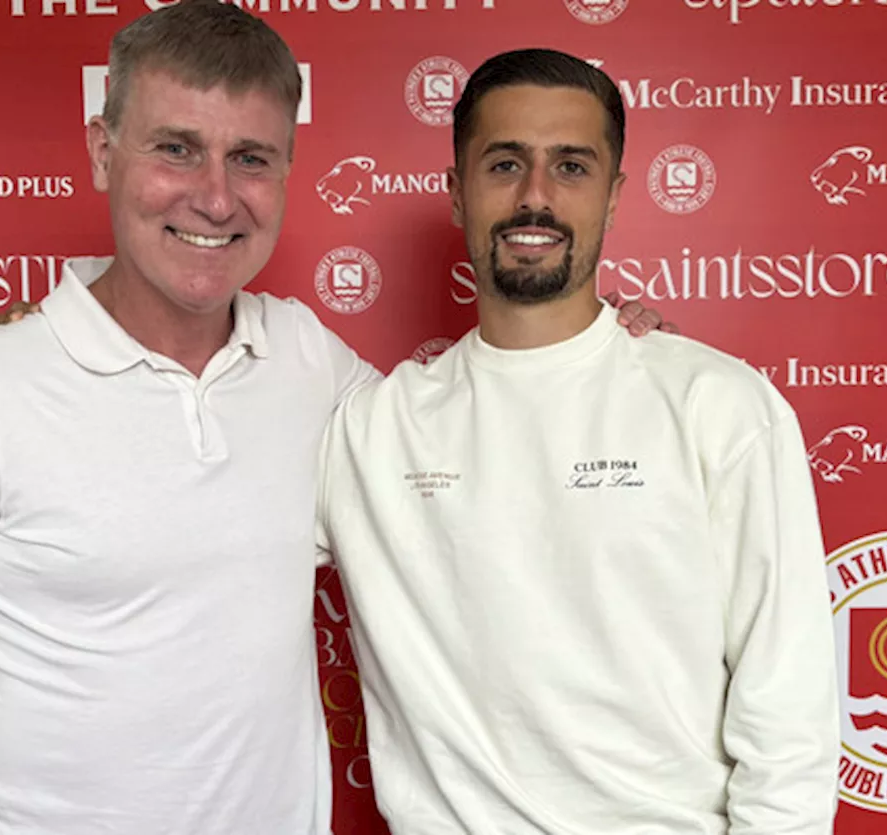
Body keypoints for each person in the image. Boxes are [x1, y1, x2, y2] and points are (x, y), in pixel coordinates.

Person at [0, 4, 670, 835]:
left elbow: (470, 429)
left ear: (285, 171)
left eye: (250, 158)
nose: (213, 197)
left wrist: (590, 348)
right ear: (103, 152)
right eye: (175, 148)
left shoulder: (311, 362)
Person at [316, 48, 840, 834]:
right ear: (457, 193)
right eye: (504, 164)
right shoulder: (368, 429)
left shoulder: (717, 404)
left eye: (570, 166)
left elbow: (789, 717)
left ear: (615, 194)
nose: (536, 197)